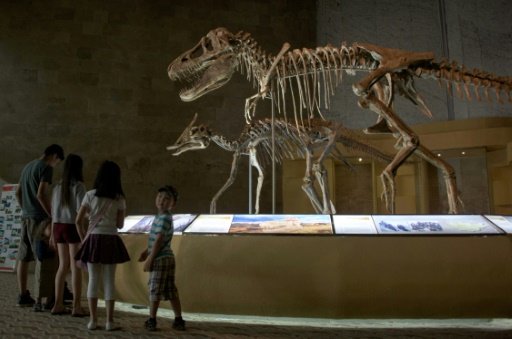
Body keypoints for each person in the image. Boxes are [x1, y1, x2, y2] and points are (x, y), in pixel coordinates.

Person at [75, 160, 130, 331]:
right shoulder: (119, 198)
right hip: (111, 239)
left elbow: (78, 221)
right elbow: (120, 224)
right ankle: (109, 322)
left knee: (93, 279)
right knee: (109, 281)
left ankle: (92, 321)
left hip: (93, 239)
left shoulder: (90, 195)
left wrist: (85, 237)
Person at [15, 144, 64, 310]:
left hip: (25, 217)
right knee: (43, 257)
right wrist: (52, 215)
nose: (56, 165)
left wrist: (25, 209)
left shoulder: (27, 166)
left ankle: (23, 295)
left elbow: (17, 192)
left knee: (23, 256)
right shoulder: (45, 168)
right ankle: (42, 297)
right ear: (54, 156)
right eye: (57, 161)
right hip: (38, 219)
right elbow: (41, 194)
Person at [138, 185, 186, 332]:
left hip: (160, 259)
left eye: (166, 199)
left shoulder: (165, 217)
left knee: (155, 289)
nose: (162, 201)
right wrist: (146, 252)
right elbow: (158, 240)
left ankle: (152, 320)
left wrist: (150, 259)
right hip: (166, 257)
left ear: (173, 204)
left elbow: (159, 240)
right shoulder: (160, 217)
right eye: (160, 197)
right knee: (170, 290)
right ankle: (179, 319)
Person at [49, 154, 87, 316]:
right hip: (71, 227)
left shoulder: (57, 186)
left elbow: (53, 212)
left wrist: (52, 234)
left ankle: (57, 304)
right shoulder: (78, 186)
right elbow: (81, 212)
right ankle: (76, 306)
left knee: (62, 266)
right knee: (75, 266)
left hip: (57, 227)